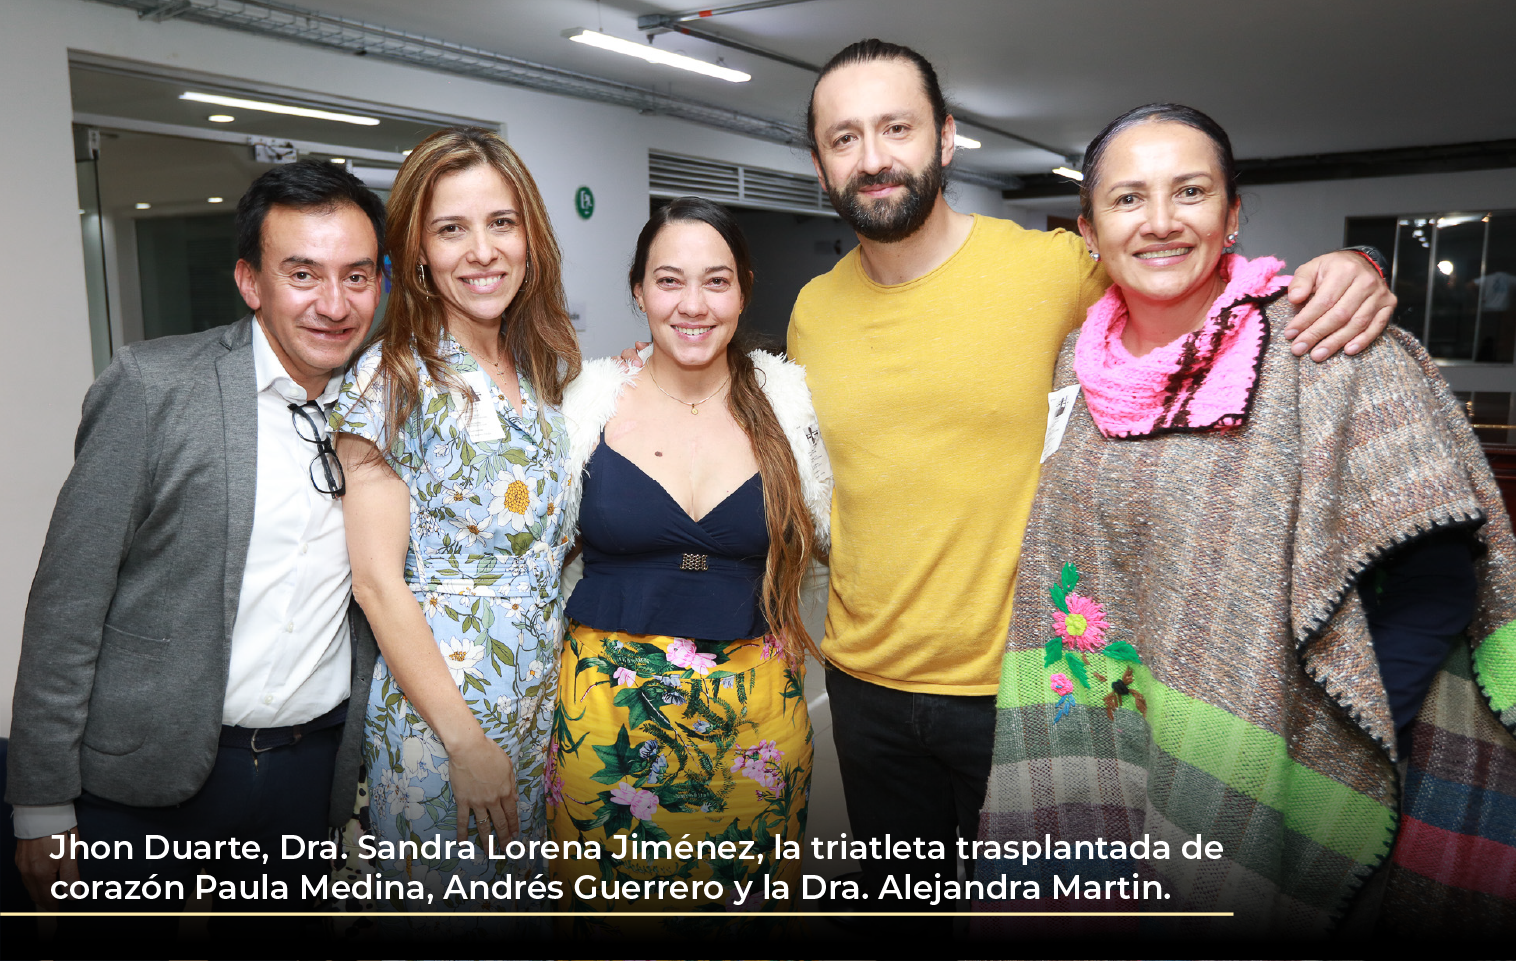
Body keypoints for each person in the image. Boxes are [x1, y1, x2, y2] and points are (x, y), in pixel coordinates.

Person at [780, 39, 1401, 924]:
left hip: (1031, 688)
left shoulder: (1054, 269)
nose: (873, 157)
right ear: (820, 162)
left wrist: (1354, 266)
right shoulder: (813, 310)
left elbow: (1195, 278)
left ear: (946, 138)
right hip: (863, 684)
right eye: (845, 137)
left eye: (897, 128)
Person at [972, 103, 1516, 937]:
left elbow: (1437, 582)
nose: (1160, 221)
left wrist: (1321, 743)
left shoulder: (1325, 346)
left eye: (1190, 191)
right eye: (1128, 198)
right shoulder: (1077, 363)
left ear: (1231, 215)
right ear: (1089, 230)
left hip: (1272, 749)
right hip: (1110, 736)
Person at [7, 159, 384, 915]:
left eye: (358, 275)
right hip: (141, 778)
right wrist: (40, 803)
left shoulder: (390, 405)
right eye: (303, 274)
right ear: (250, 281)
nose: (335, 304)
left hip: (306, 775)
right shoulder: (154, 387)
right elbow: (68, 601)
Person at [546, 197, 831, 936]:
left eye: (716, 281)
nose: (693, 305)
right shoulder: (585, 404)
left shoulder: (791, 406)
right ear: (639, 291)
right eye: (669, 280)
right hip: (608, 717)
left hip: (757, 719)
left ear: (744, 289)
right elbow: (528, 553)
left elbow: (853, 532)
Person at [330, 126, 580, 923]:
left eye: (501, 223)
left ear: (531, 237)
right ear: (419, 251)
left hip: (536, 713)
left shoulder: (537, 372)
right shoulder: (392, 378)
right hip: (444, 724)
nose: (482, 251)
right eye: (451, 229)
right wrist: (465, 742)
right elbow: (376, 583)